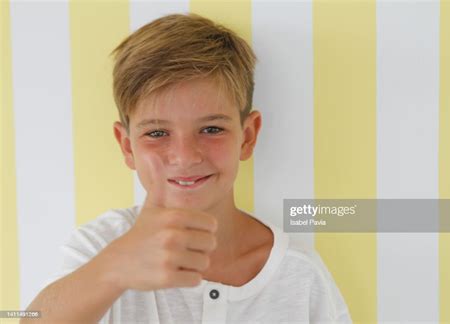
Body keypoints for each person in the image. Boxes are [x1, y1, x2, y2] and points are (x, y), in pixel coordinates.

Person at [22, 13, 352, 323]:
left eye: (211, 129)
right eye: (156, 133)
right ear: (127, 146)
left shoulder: (300, 274)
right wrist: (113, 269)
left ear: (247, 137)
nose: (184, 156)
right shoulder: (101, 246)